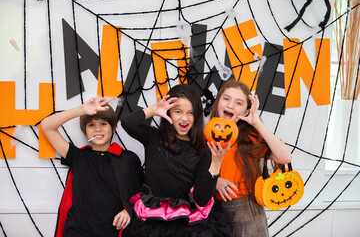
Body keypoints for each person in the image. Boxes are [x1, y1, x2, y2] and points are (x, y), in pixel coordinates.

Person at [121, 84, 232, 237]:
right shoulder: (153, 137)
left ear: (197, 116)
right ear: (169, 113)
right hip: (152, 219)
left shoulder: (202, 150)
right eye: (178, 112)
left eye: (190, 113)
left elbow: (201, 199)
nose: (184, 118)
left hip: (186, 223)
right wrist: (153, 110)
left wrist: (216, 163)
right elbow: (127, 123)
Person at [40, 97, 143, 237]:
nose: (98, 129)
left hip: (112, 231)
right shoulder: (78, 157)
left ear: (113, 128)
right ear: (85, 131)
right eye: (91, 125)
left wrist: (129, 210)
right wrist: (81, 110)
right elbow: (47, 126)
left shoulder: (128, 159)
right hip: (77, 231)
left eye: (103, 123)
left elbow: (142, 194)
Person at [211, 79, 292, 237]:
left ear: (246, 111)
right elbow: (197, 173)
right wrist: (215, 181)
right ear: (218, 102)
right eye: (226, 98)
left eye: (238, 103)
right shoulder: (206, 134)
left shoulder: (250, 137)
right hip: (214, 210)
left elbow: (285, 157)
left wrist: (257, 124)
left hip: (245, 209)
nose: (230, 105)